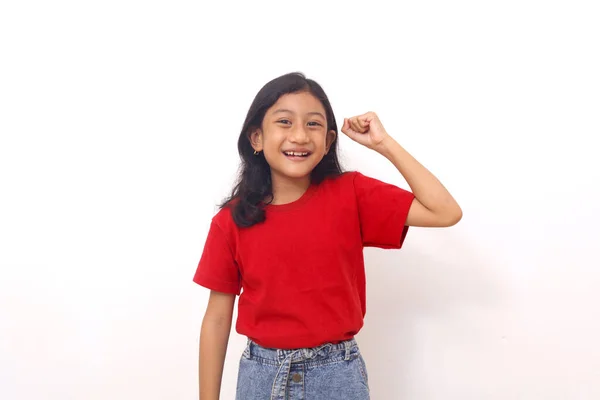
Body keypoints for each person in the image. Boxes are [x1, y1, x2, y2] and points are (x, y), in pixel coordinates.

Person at [193, 72, 462, 400]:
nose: (299, 135)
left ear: (329, 141)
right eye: (284, 122)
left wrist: (384, 144)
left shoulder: (351, 194)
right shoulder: (230, 221)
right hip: (261, 377)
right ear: (256, 138)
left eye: (313, 124)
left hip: (336, 375)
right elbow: (217, 318)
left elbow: (445, 211)